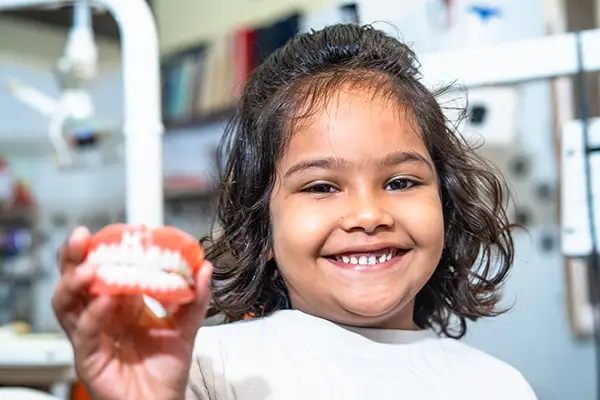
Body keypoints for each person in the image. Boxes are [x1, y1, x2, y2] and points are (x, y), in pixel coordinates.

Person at [52, 24, 537, 400]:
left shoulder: (498, 385)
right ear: (263, 227)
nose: (368, 214)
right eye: (322, 186)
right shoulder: (206, 369)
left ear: (446, 207)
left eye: (400, 182)